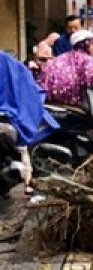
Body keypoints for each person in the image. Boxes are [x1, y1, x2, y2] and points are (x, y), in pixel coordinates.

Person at [41, 30, 93, 153]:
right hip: (79, 99)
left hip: (60, 100)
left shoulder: (64, 57)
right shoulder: (87, 61)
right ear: (87, 44)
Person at [0, 51, 57, 194]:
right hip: (9, 119)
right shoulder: (11, 65)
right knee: (22, 147)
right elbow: (29, 92)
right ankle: (28, 184)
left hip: (7, 120)